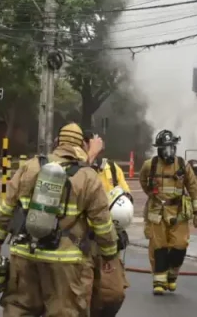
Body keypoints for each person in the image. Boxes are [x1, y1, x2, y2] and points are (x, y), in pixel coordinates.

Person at [0, 122, 118, 317]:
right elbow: (102, 223)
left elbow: (6, 210)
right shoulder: (88, 177)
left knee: (19, 308)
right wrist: (110, 255)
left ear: (57, 142)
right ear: (81, 145)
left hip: (24, 253)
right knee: (64, 311)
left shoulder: (29, 167)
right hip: (64, 262)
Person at [139, 129, 197, 295]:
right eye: (166, 148)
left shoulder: (182, 165)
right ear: (159, 149)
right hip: (157, 212)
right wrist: (153, 196)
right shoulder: (149, 165)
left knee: (180, 245)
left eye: (172, 147)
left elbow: (194, 189)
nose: (169, 151)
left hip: (179, 212)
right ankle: (159, 281)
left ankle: (172, 276)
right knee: (158, 246)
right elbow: (143, 182)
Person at [82, 131, 131, 317]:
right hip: (79, 244)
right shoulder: (75, 169)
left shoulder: (111, 169)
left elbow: (125, 195)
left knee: (113, 295)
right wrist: (90, 156)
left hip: (107, 242)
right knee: (80, 296)